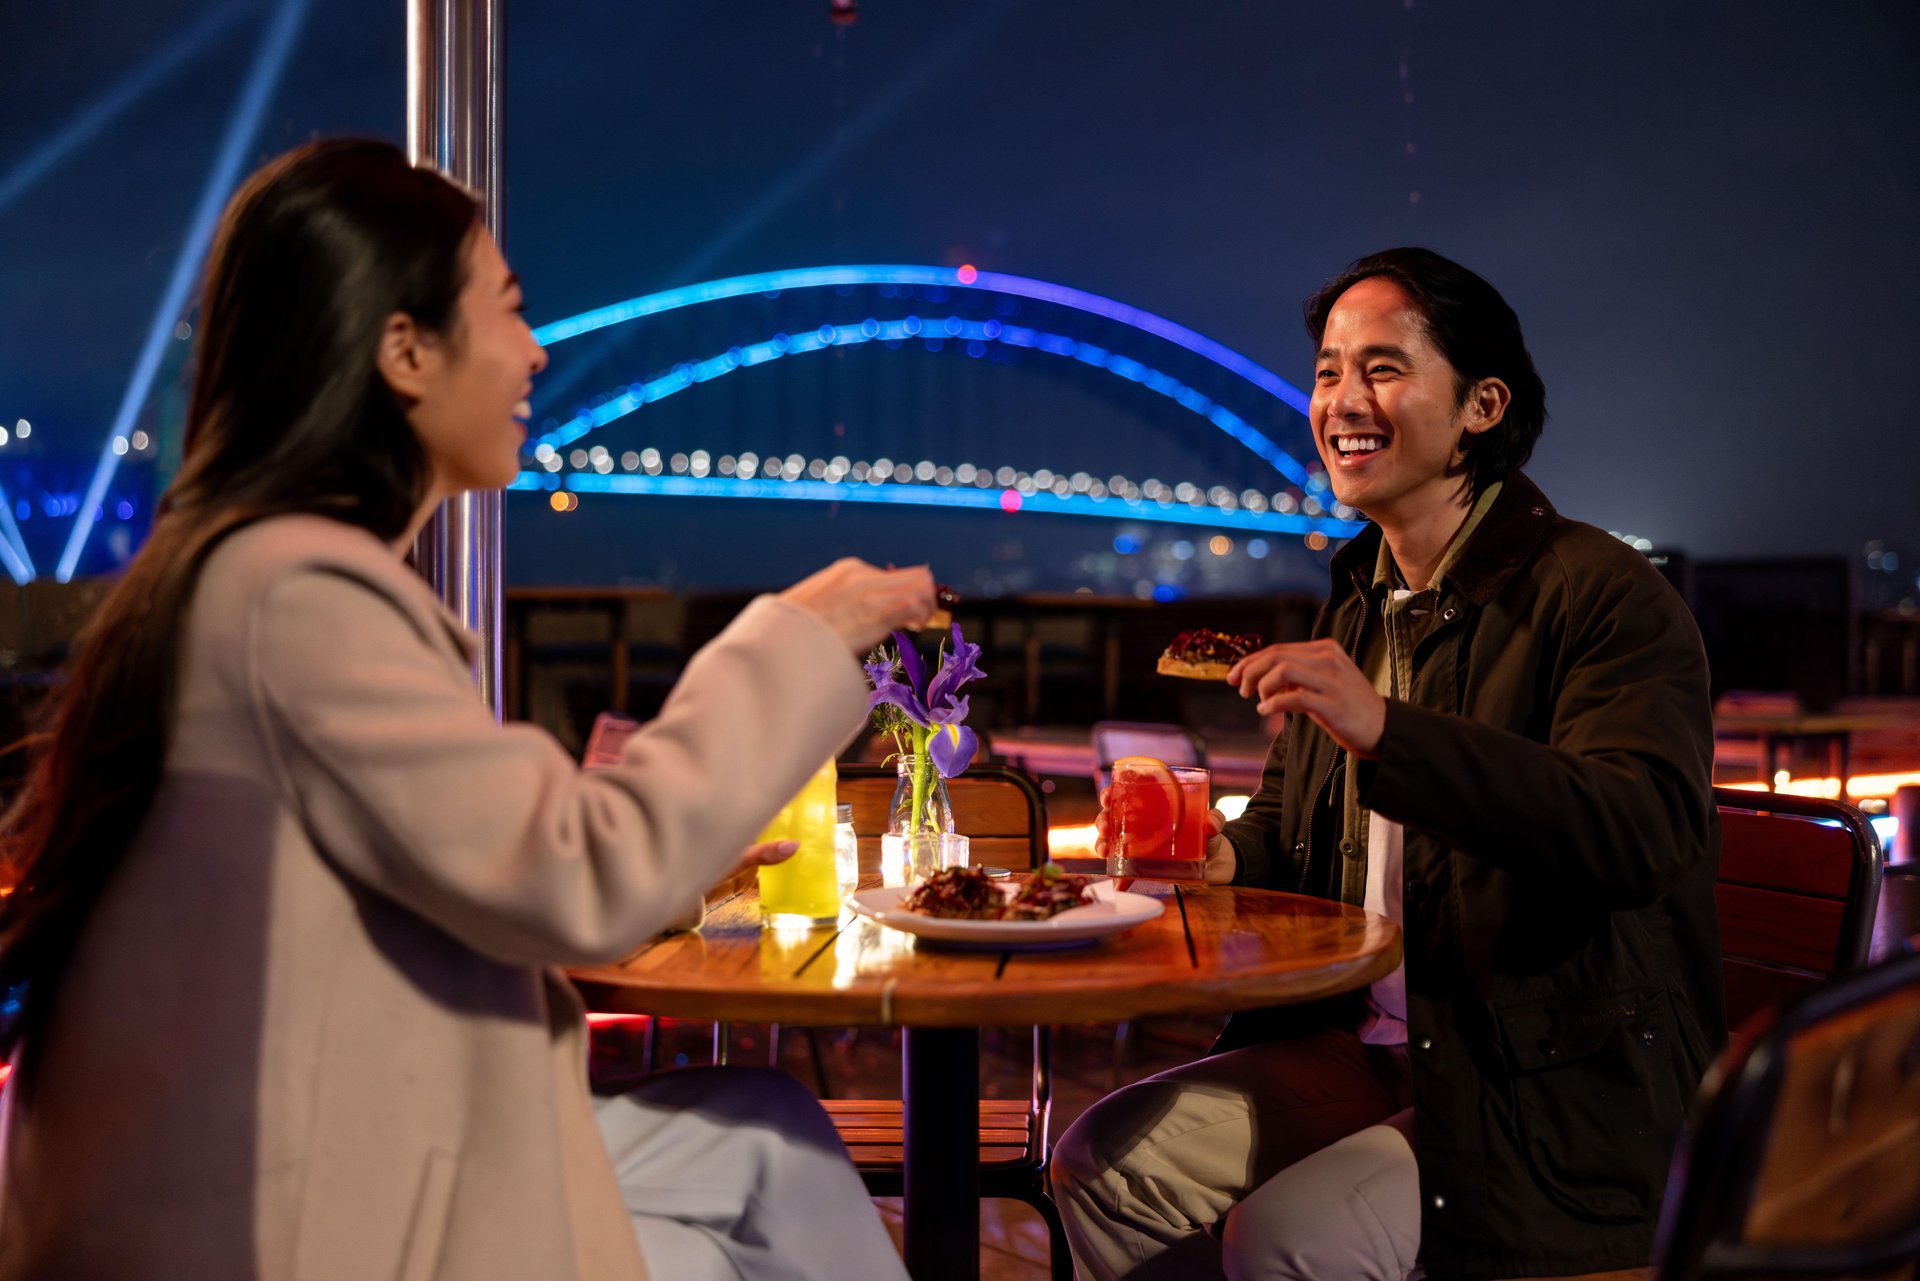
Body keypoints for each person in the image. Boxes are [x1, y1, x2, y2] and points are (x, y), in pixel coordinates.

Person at [0, 139, 925, 1281]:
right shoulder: (297, 599)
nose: (539, 351)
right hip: (282, 1221)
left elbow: (457, 875)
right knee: (722, 1239)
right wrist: (806, 635)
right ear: (403, 351)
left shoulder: (251, 575)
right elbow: (577, 873)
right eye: (510, 308)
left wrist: (685, 866)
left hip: (336, 1144)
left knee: (768, 1141)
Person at [1054, 247, 1723, 1280]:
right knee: (1106, 1164)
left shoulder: (1606, 596)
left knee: (1285, 1237)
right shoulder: (1363, 599)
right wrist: (1216, 856)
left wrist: (1388, 730)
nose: (1340, 401)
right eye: (1327, 370)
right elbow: (1288, 820)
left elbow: (1639, 830)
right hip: (1379, 1051)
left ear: (1482, 406)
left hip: (1547, 1083)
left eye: (1383, 368)